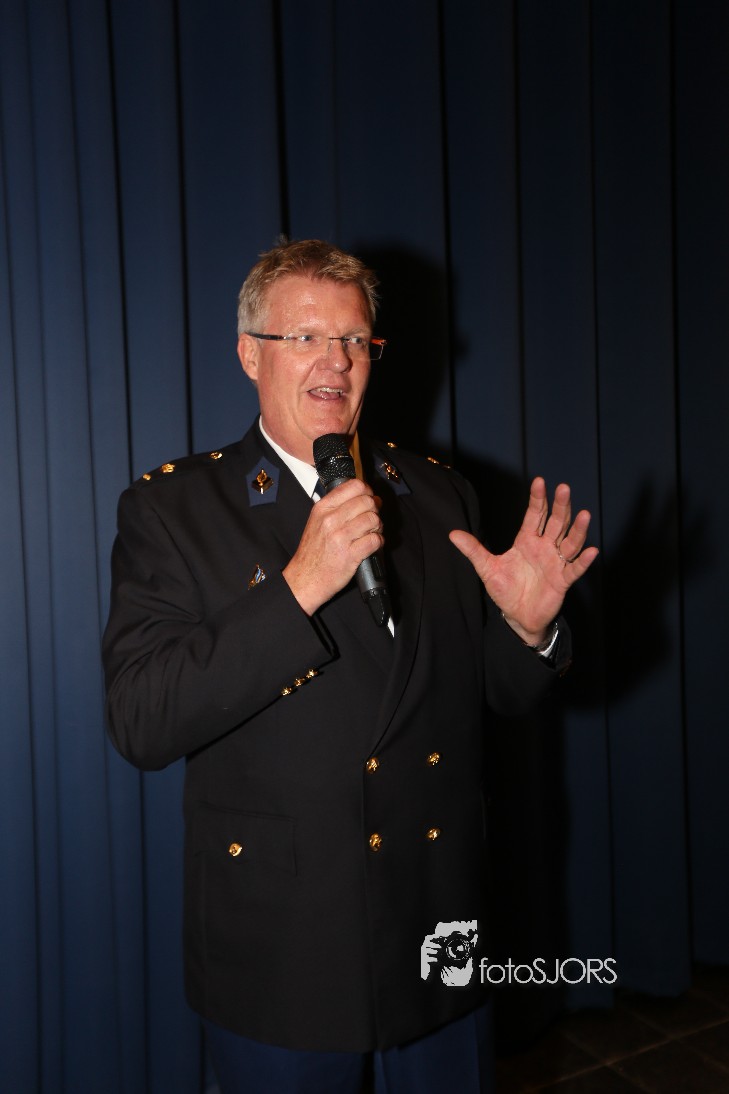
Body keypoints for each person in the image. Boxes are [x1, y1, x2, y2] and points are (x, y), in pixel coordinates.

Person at [102, 239, 597, 1093]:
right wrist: (299, 586)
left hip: (438, 925)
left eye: (354, 339)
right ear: (250, 354)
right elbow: (141, 721)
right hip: (287, 945)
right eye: (305, 337)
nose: (335, 358)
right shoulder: (175, 509)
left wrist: (527, 632)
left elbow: (489, 694)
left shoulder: (437, 494)